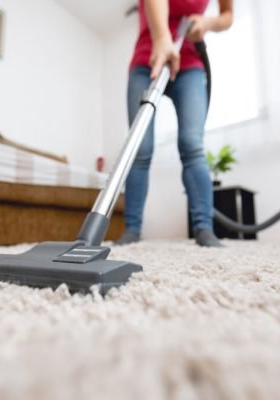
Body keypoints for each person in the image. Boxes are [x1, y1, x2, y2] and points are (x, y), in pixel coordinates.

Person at [116, 0, 234, 247]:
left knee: (192, 145)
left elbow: (227, 15)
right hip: (147, 60)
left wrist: (207, 22)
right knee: (140, 148)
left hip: (190, 64)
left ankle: (204, 229)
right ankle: (132, 230)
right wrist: (161, 37)